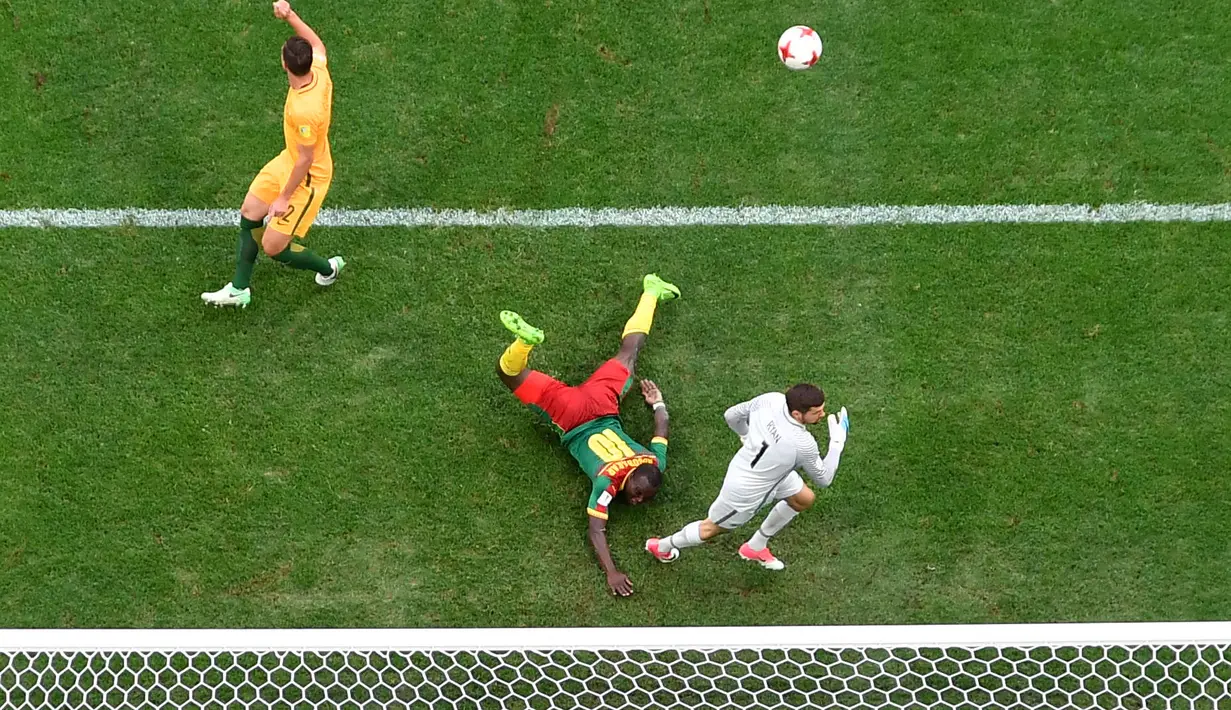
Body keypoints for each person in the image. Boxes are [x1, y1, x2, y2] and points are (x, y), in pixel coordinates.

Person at [497, 274, 681, 596]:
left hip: (603, 404)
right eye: (638, 493)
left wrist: (658, 403)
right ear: (639, 476)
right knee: (508, 375)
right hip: (570, 415)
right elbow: (596, 529)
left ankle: (651, 289)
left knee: (629, 355)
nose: (636, 500)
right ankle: (524, 342)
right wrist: (611, 572)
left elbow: (662, 426)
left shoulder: (655, 461)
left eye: (640, 497)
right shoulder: (606, 484)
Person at [202, 1, 344, 308]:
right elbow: (318, 44)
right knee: (250, 211)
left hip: (307, 177)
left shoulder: (305, 111)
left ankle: (328, 269)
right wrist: (290, 15)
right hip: (290, 160)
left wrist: (283, 198)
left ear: (286, 65)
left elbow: (306, 159)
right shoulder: (317, 67)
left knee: (274, 247)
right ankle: (240, 289)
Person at [645, 385, 849, 571]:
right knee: (710, 528)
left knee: (804, 498)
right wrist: (837, 444)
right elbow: (824, 479)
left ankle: (755, 546)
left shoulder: (771, 400)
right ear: (797, 413)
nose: (823, 414)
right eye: (817, 412)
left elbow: (731, 416)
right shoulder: (803, 443)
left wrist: (746, 437)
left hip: (771, 471)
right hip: (745, 491)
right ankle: (662, 546)